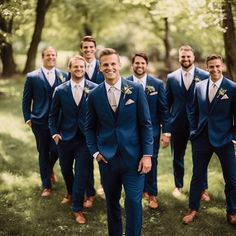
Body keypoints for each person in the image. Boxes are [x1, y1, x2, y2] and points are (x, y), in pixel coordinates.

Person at [85, 48, 153, 236]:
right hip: (107, 160)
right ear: (100, 68)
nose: (110, 67)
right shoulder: (94, 94)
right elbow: (89, 127)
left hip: (134, 159)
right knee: (112, 203)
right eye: (105, 64)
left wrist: (147, 155)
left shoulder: (136, 90)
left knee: (133, 201)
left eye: (113, 63)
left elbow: (146, 124)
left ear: (119, 65)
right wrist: (96, 153)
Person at [182, 54, 236, 225]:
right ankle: (193, 209)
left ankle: (232, 211)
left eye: (217, 66)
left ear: (222, 67)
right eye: (211, 66)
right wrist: (193, 131)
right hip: (202, 138)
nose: (215, 69)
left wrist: (234, 138)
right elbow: (192, 110)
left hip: (225, 139)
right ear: (206, 67)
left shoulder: (232, 88)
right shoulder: (199, 86)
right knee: (197, 176)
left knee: (232, 178)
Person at [49, 55, 97, 224]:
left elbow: (100, 115)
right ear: (69, 69)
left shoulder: (94, 88)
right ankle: (70, 192)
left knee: (82, 173)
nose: (78, 69)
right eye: (75, 67)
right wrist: (55, 133)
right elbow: (53, 115)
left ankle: (77, 209)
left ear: (85, 68)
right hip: (65, 138)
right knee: (66, 170)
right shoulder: (60, 90)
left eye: (81, 67)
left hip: (85, 139)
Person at [126, 52, 171, 209]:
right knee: (132, 161)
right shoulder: (125, 83)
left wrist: (166, 132)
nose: (139, 66)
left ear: (146, 65)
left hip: (151, 132)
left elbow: (164, 110)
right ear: (133, 65)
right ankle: (137, 192)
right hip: (130, 132)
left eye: (142, 63)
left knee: (151, 161)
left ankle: (152, 194)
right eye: (137, 63)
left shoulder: (157, 84)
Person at [22, 46, 68, 197]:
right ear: (43, 57)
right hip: (39, 121)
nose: (51, 57)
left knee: (56, 150)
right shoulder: (32, 77)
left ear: (56, 56)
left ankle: (48, 170)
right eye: (48, 55)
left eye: (53, 55)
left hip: (59, 121)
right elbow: (26, 100)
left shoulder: (63, 75)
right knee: (43, 151)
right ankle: (46, 186)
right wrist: (28, 118)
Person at [166, 45, 210, 200]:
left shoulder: (205, 76)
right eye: (182, 56)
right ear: (179, 58)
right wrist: (167, 125)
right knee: (177, 156)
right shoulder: (171, 77)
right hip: (177, 123)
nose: (185, 59)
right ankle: (178, 186)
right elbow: (167, 102)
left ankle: (203, 188)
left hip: (199, 124)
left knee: (201, 157)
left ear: (193, 57)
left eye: (188, 56)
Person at [80, 35, 105, 205]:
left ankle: (105, 184)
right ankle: (90, 193)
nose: (88, 50)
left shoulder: (103, 66)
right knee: (86, 156)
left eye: (91, 47)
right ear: (81, 49)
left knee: (104, 153)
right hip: (83, 120)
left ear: (95, 48)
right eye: (85, 47)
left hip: (102, 119)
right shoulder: (76, 66)